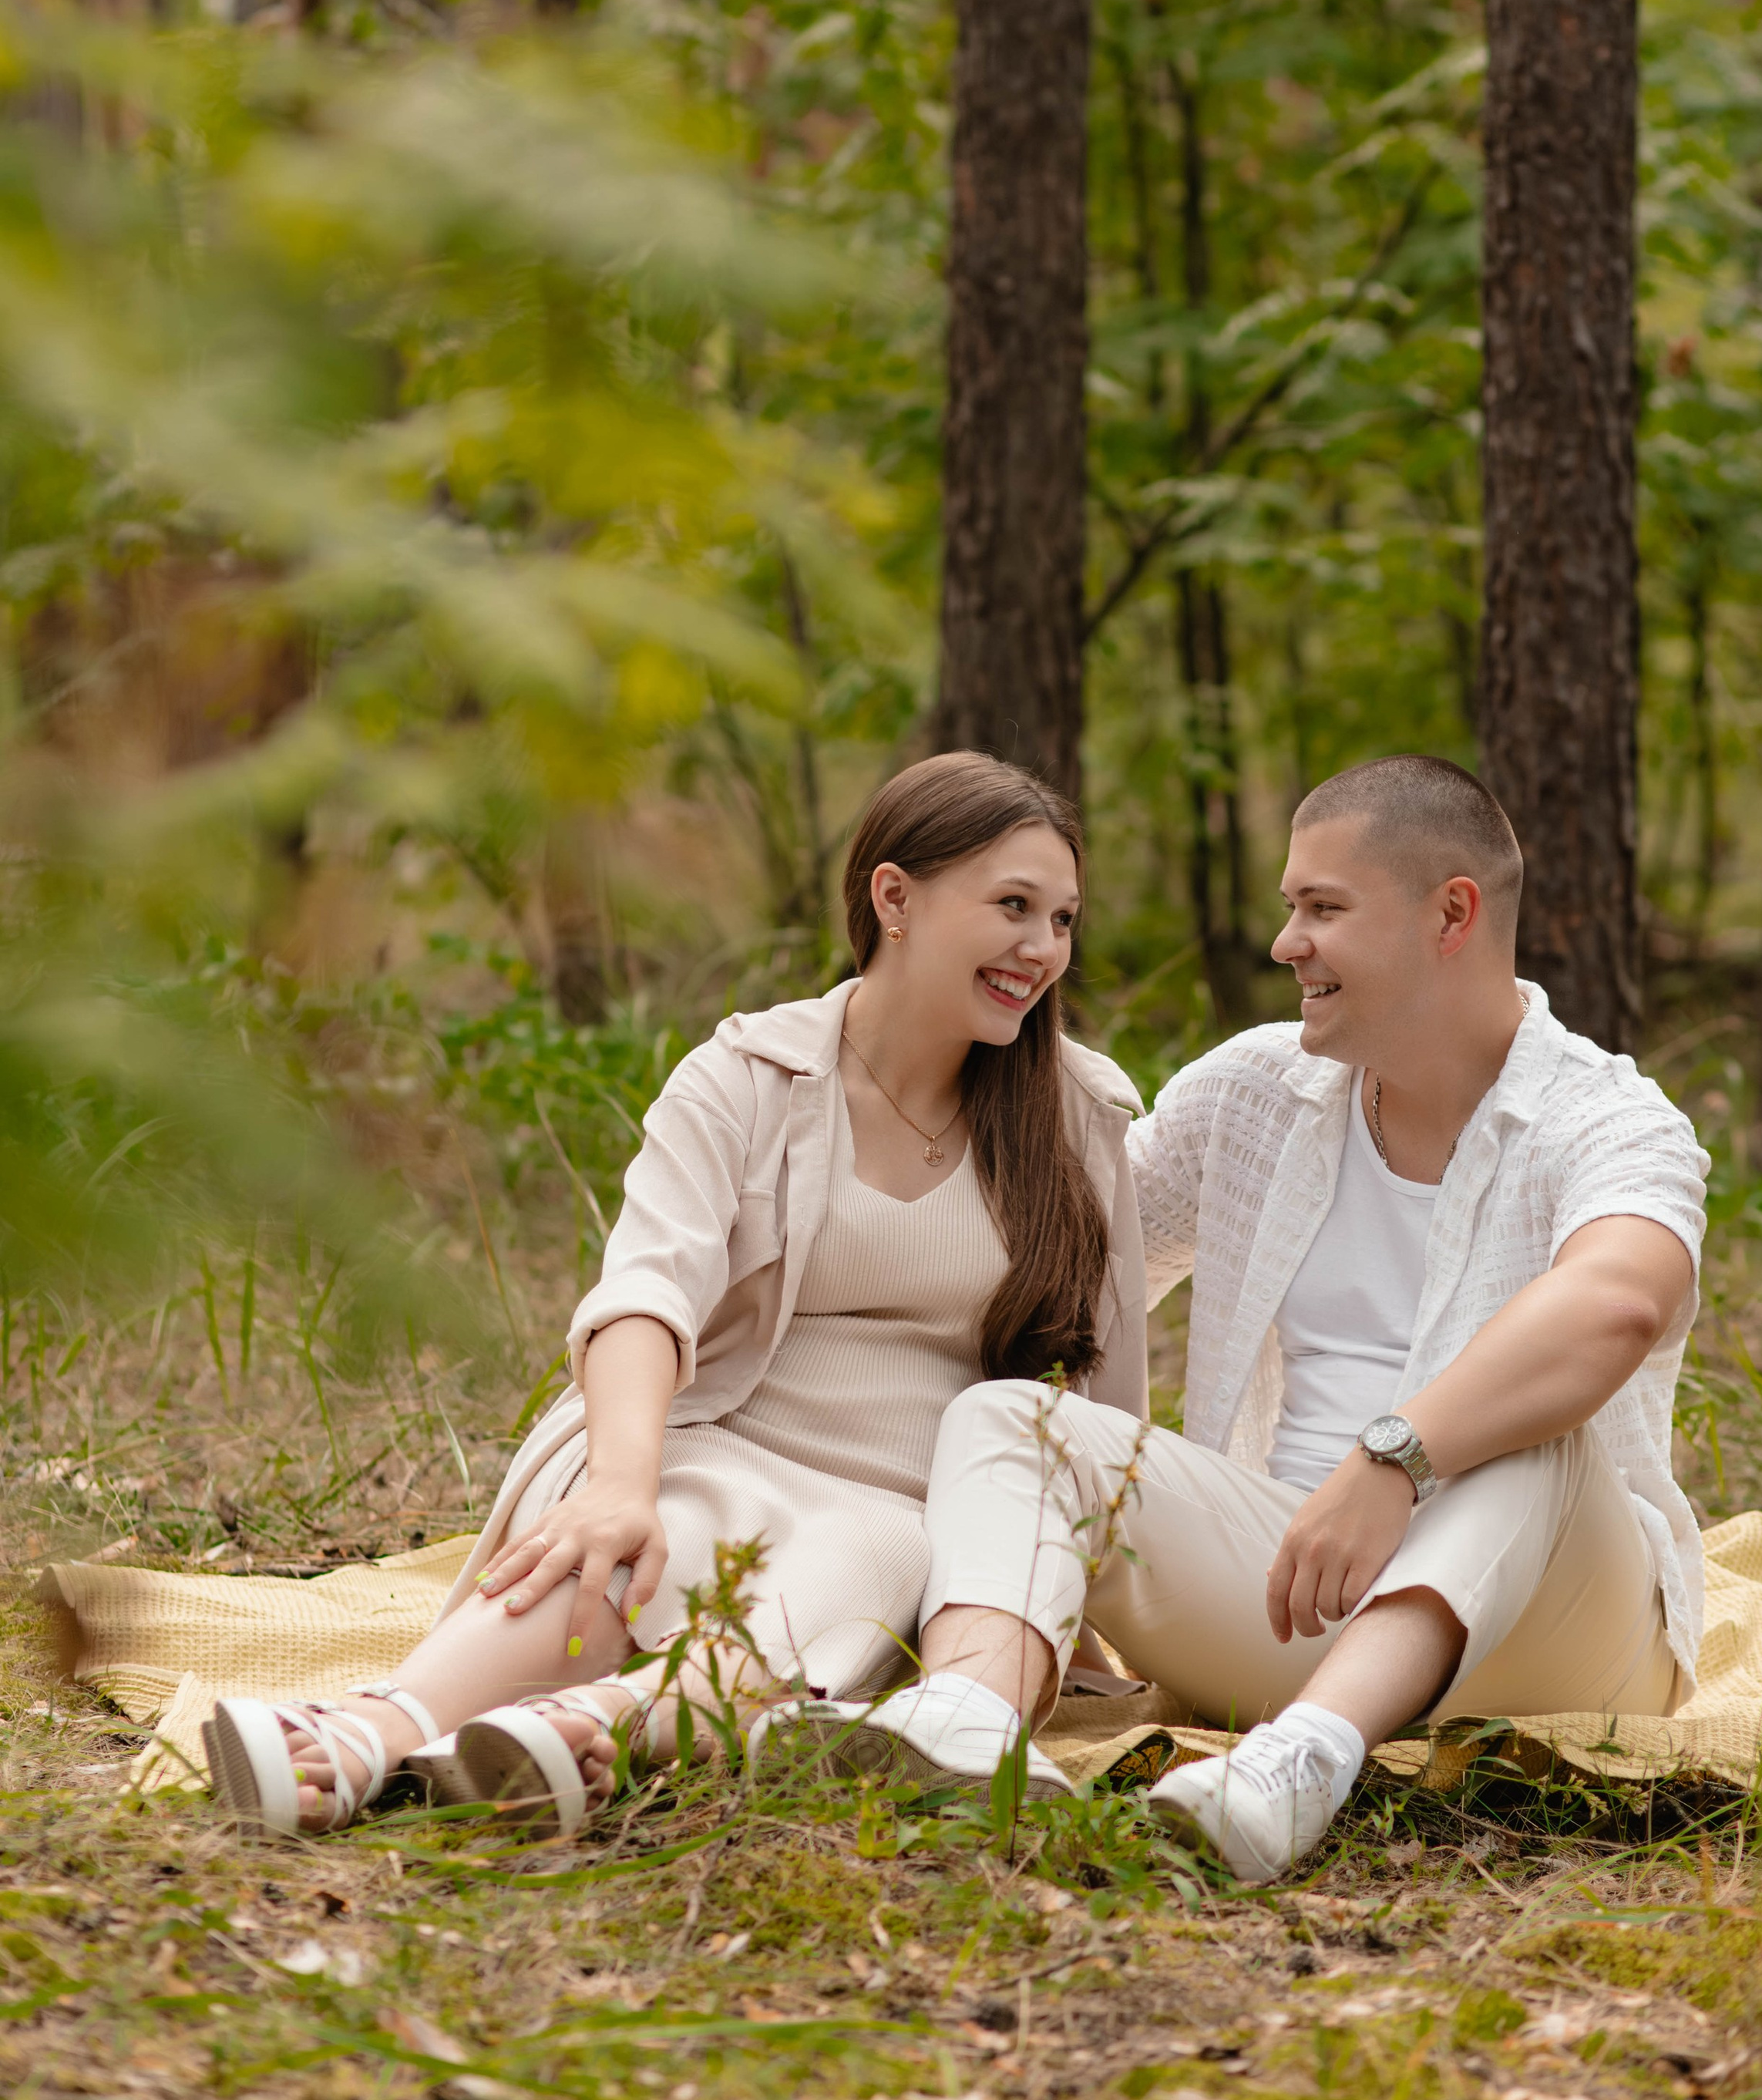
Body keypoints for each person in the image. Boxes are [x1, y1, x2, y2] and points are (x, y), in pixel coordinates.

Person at [756, 754, 1707, 1883]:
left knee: (1531, 1426)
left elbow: (1616, 1305)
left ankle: (1301, 1765)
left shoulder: (1607, 1118)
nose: (1285, 944)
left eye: (1323, 909)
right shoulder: (1255, 1093)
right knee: (1014, 1422)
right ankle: (968, 1715)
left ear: (1451, 913)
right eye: (1288, 908)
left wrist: (1395, 1457)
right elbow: (1061, 1260)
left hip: (1563, 1636)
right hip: (1294, 1585)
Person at [203, 752, 1147, 1836]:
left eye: (1063, 920)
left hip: (913, 1500)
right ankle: (374, 1727)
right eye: (1013, 907)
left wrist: (1066, 1591)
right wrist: (619, 1479)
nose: (1043, 951)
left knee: (860, 1568)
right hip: (718, 1428)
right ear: (895, 898)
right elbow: (645, 1291)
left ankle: (577, 1730)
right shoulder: (744, 1078)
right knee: (635, 1535)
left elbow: (1108, 1399)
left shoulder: (1079, 1114)